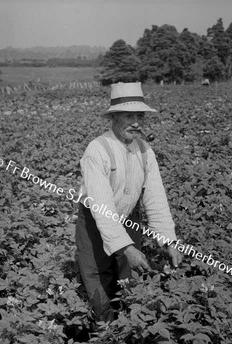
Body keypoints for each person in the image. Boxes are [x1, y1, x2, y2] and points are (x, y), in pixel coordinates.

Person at [75, 81, 182, 322]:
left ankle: (128, 333)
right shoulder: (97, 150)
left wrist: (169, 240)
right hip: (93, 222)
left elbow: (156, 199)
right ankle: (103, 339)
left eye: (139, 116)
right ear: (113, 118)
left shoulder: (145, 150)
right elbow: (102, 209)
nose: (135, 122)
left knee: (130, 280)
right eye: (128, 115)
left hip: (129, 219)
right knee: (99, 282)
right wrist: (126, 249)